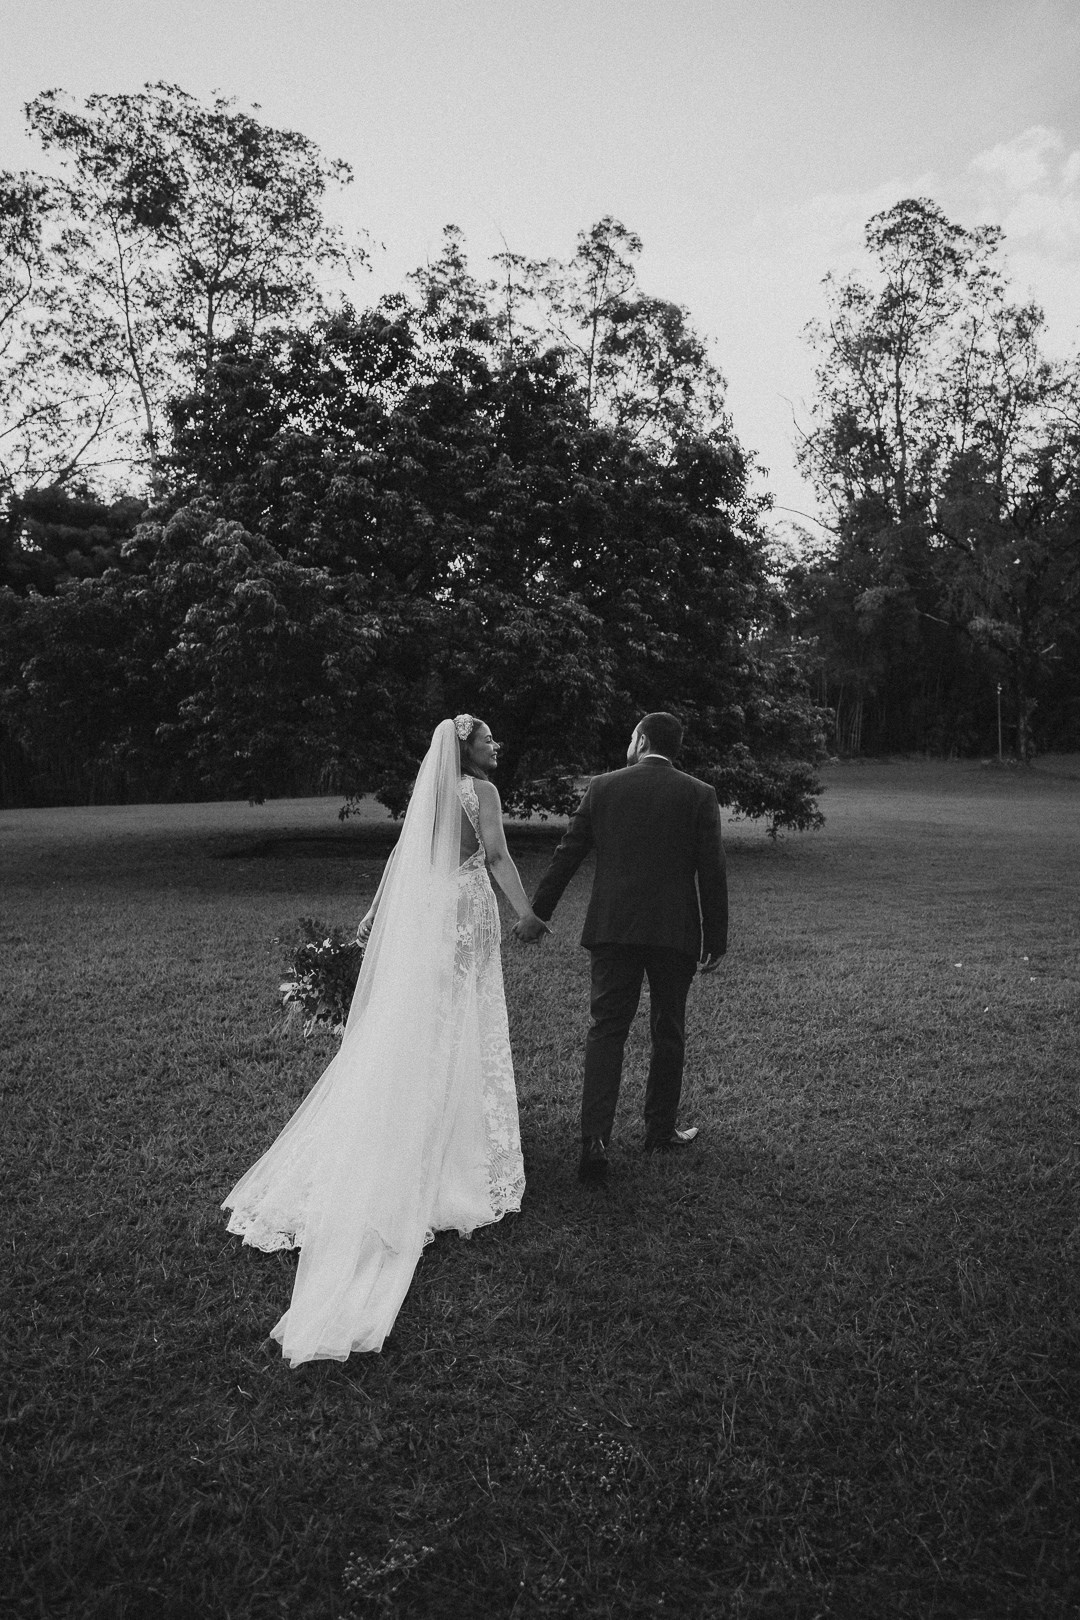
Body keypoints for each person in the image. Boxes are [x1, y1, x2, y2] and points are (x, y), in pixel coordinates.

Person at [223, 716, 547, 1364]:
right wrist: (526, 913)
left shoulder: (432, 793)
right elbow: (498, 854)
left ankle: (414, 1120)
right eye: (488, 740)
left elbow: (403, 858)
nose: (496, 746)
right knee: (460, 1021)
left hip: (427, 912)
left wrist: (373, 920)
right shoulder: (480, 793)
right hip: (465, 913)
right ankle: (452, 1141)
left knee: (424, 1024)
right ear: (467, 749)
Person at [515, 711, 726, 1181]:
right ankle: (659, 1131)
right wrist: (717, 937)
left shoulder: (603, 786)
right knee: (668, 1028)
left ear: (643, 739)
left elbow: (568, 852)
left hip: (613, 927)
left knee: (606, 1028)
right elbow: (712, 870)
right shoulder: (699, 794)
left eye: (631, 737)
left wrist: (539, 913)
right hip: (675, 932)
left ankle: (594, 1140)